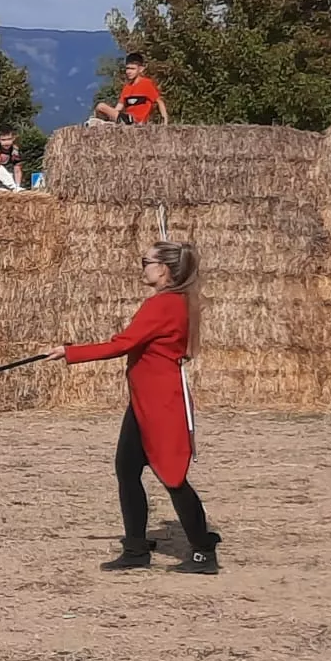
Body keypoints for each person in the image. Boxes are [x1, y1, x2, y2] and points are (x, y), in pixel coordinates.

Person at [44, 240, 222, 575]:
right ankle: (136, 548)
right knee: (127, 469)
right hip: (144, 400)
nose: (142, 267)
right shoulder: (171, 302)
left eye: (146, 261)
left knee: (172, 476)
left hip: (159, 402)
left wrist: (70, 353)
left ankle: (202, 550)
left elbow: (123, 344)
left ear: (164, 269)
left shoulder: (164, 306)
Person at [93, 52, 169, 125]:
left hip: (136, 121)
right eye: (127, 68)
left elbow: (159, 102)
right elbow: (118, 108)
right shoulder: (127, 88)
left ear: (141, 69)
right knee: (98, 113)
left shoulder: (147, 84)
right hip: (125, 118)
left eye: (132, 69)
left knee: (101, 106)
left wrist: (165, 122)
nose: (129, 72)